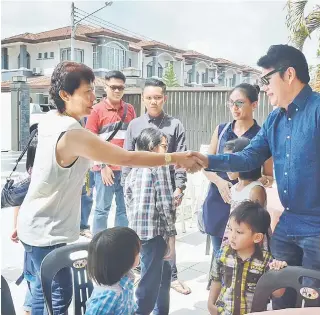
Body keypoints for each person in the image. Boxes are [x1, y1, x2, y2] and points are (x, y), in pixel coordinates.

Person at [16, 61, 200, 315]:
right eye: (86, 92)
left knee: (38, 293)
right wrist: (174, 158)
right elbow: (126, 158)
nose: (94, 97)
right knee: (57, 300)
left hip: (32, 224)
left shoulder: (50, 119)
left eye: (94, 90)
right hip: (48, 231)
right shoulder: (72, 133)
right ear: (64, 95)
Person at [191, 44, 320, 309]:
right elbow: (248, 157)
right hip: (289, 222)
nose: (265, 87)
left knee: (315, 301)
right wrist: (207, 160)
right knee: (278, 294)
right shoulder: (274, 120)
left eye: (266, 79)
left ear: (289, 74)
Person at [122, 78, 190, 295]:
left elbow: (181, 158)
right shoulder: (134, 125)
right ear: (143, 99)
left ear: (164, 98)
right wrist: (127, 188)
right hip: (141, 190)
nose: (153, 102)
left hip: (166, 186)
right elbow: (127, 158)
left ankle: (172, 276)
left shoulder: (174, 125)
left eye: (157, 97)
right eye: (149, 98)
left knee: (168, 233)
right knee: (143, 235)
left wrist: (179, 187)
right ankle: (142, 273)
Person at [202, 83, 273, 289]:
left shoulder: (262, 135)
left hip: (246, 203)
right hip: (219, 200)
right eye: (231, 103)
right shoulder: (222, 129)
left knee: (245, 257)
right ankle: (220, 295)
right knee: (221, 253)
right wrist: (221, 182)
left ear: (254, 104)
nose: (235, 107)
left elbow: (268, 175)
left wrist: (254, 184)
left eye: (240, 102)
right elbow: (207, 165)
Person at [125, 128, 176, 315]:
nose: (166, 151)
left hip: (137, 231)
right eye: (163, 146)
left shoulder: (134, 168)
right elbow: (165, 203)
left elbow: (127, 197)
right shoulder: (159, 166)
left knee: (160, 276)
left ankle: (160, 311)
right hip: (156, 233)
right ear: (151, 147)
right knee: (150, 281)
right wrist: (171, 235)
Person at [208, 200, 287, 315]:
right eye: (230, 229)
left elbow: (278, 293)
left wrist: (279, 273)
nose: (232, 236)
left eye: (239, 232)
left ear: (257, 237)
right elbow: (216, 280)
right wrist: (211, 303)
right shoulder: (222, 254)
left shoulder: (266, 261)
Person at [86, 70, 136, 235]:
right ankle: (98, 247)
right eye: (113, 87)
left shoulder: (129, 110)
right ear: (105, 87)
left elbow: (133, 139)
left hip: (126, 169)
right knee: (101, 209)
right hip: (104, 171)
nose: (117, 91)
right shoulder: (96, 110)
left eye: (120, 88)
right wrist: (102, 165)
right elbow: (91, 143)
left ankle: (119, 243)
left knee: (124, 209)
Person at [85, 227, 140, 314]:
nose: (139, 254)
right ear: (124, 259)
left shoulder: (127, 276)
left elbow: (129, 304)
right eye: (137, 252)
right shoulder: (109, 295)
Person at [10, 142, 37, 315]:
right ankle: (29, 308)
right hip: (39, 232)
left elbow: (17, 206)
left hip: (29, 231)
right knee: (38, 275)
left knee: (34, 273)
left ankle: (29, 308)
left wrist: (16, 227)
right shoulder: (41, 177)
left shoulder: (25, 176)